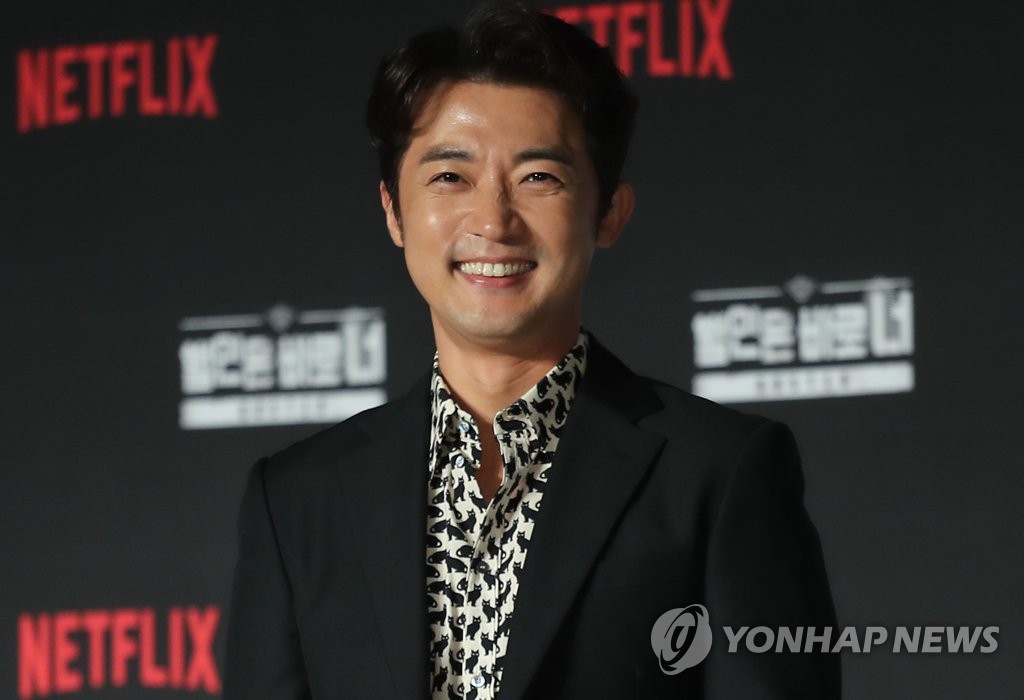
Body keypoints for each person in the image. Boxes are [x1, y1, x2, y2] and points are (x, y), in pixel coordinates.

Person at [224, 2, 840, 698]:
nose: (493, 220)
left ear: (608, 212)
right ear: (394, 210)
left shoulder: (719, 474)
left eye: (538, 177)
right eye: (450, 177)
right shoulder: (297, 500)